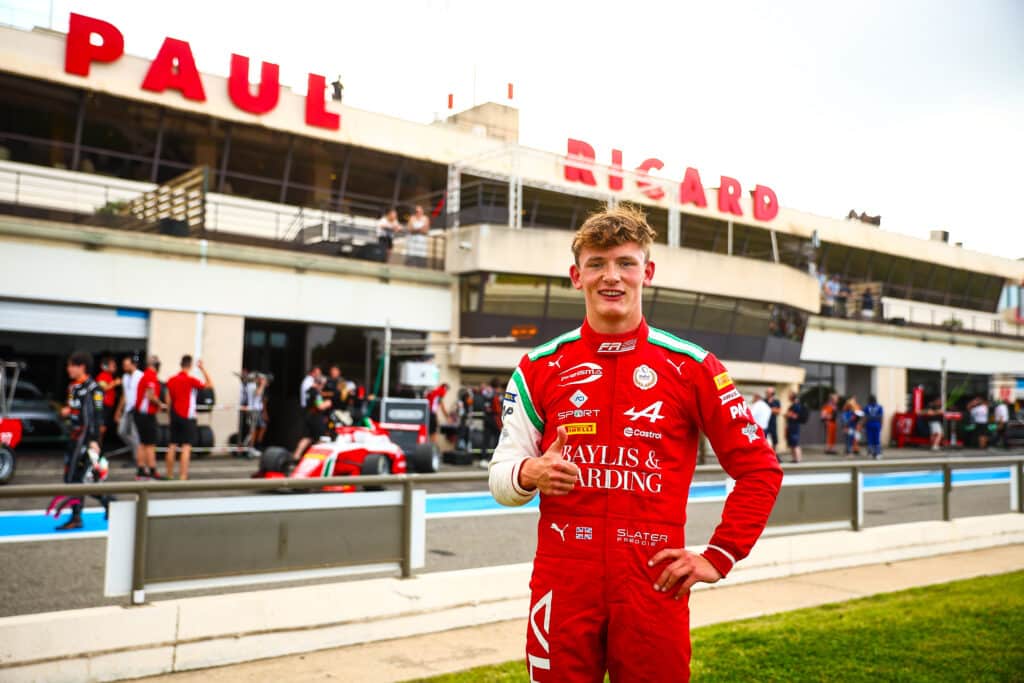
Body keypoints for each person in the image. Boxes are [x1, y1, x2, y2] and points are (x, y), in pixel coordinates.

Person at [488, 205, 782, 681]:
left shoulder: (693, 367)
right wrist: (529, 472)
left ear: (647, 272)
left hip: (654, 582)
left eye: (625, 263)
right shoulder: (538, 367)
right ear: (576, 276)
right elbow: (500, 476)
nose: (612, 276)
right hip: (563, 583)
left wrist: (720, 555)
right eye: (597, 264)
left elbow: (759, 470)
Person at [55, 351, 106, 530]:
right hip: (74, 437)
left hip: (86, 439)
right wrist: (67, 411)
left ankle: (79, 516)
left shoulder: (94, 389)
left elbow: (97, 417)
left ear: (81, 367)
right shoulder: (73, 387)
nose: (68, 369)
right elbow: (74, 409)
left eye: (71, 365)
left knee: (75, 478)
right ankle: (108, 502)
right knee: (74, 478)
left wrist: (94, 440)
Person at [165, 355, 212, 480]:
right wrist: (202, 369)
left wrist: (169, 415)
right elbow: (210, 384)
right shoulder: (191, 380)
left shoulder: (171, 380)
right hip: (188, 416)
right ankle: (183, 476)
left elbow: (168, 399)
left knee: (172, 445)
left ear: (181, 364)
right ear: (190, 366)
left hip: (174, 414)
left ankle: (169, 475)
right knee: (186, 446)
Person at [133, 355, 164, 479]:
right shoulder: (150, 375)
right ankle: (152, 470)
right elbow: (150, 395)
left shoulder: (145, 375)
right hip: (146, 415)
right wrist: (161, 404)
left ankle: (141, 470)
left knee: (143, 443)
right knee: (150, 444)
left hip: (140, 414)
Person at [293, 375, 331, 462]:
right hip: (316, 418)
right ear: (319, 383)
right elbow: (320, 406)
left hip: (308, 416)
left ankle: (296, 457)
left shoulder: (309, 391)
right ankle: (317, 460)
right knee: (321, 439)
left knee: (306, 438)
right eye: (323, 385)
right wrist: (327, 403)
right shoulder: (316, 392)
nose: (323, 387)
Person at [114, 354, 143, 465]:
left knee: (134, 434)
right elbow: (124, 395)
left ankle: (137, 459)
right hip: (127, 409)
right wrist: (118, 410)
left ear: (133, 364)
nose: (124, 367)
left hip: (137, 410)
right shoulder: (125, 377)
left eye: (126, 365)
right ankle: (137, 453)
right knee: (122, 432)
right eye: (123, 365)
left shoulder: (140, 376)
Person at [95, 356, 119, 448]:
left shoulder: (109, 376)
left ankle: (98, 448)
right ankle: (96, 448)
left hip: (108, 406)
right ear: (105, 366)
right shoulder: (102, 375)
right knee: (101, 429)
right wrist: (115, 383)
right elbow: (103, 388)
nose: (115, 368)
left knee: (103, 429)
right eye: (113, 366)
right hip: (103, 406)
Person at [426, 382, 450, 449]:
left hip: (427, 413)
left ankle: (429, 447)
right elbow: (441, 406)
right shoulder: (441, 392)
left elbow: (434, 405)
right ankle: (433, 448)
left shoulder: (434, 392)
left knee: (429, 432)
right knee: (433, 433)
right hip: (431, 414)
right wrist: (447, 416)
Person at [784, 393, 806, 463]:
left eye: (789, 396)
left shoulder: (796, 406)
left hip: (794, 427)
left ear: (792, 397)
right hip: (791, 426)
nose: (788, 398)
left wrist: (788, 414)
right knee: (792, 444)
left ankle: (798, 459)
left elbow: (794, 416)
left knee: (795, 443)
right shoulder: (793, 405)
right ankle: (794, 458)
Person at [864, 395, 884, 459]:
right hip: (877, 424)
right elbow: (881, 417)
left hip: (869, 424)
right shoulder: (880, 407)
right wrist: (881, 425)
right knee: (877, 439)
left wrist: (864, 425)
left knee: (870, 439)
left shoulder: (867, 407)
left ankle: (870, 453)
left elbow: (865, 417)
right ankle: (878, 453)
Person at [764, 387, 781, 455]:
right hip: (765, 424)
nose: (767, 393)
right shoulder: (763, 401)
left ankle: (774, 454)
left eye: (768, 392)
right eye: (766, 392)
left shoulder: (776, 401)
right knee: (764, 439)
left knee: (774, 440)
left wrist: (769, 409)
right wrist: (772, 409)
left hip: (773, 423)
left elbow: (778, 411)